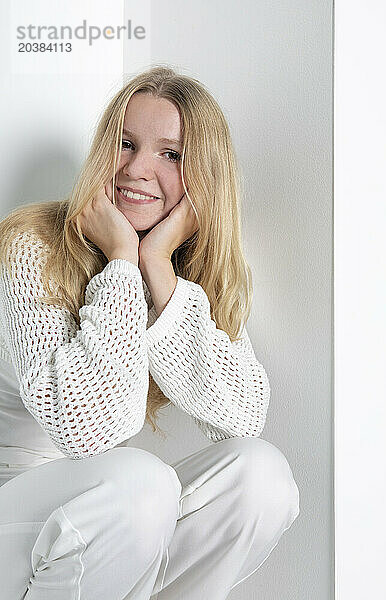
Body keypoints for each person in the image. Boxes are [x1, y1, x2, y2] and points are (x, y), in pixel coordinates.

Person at [0, 65, 300, 599]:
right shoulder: (32, 245)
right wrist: (120, 261)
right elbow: (87, 429)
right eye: (126, 143)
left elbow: (242, 417)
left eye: (171, 154)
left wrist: (157, 267)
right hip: (14, 516)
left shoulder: (190, 274)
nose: (136, 169)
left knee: (261, 477)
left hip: (102, 520)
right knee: (142, 483)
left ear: (203, 177)